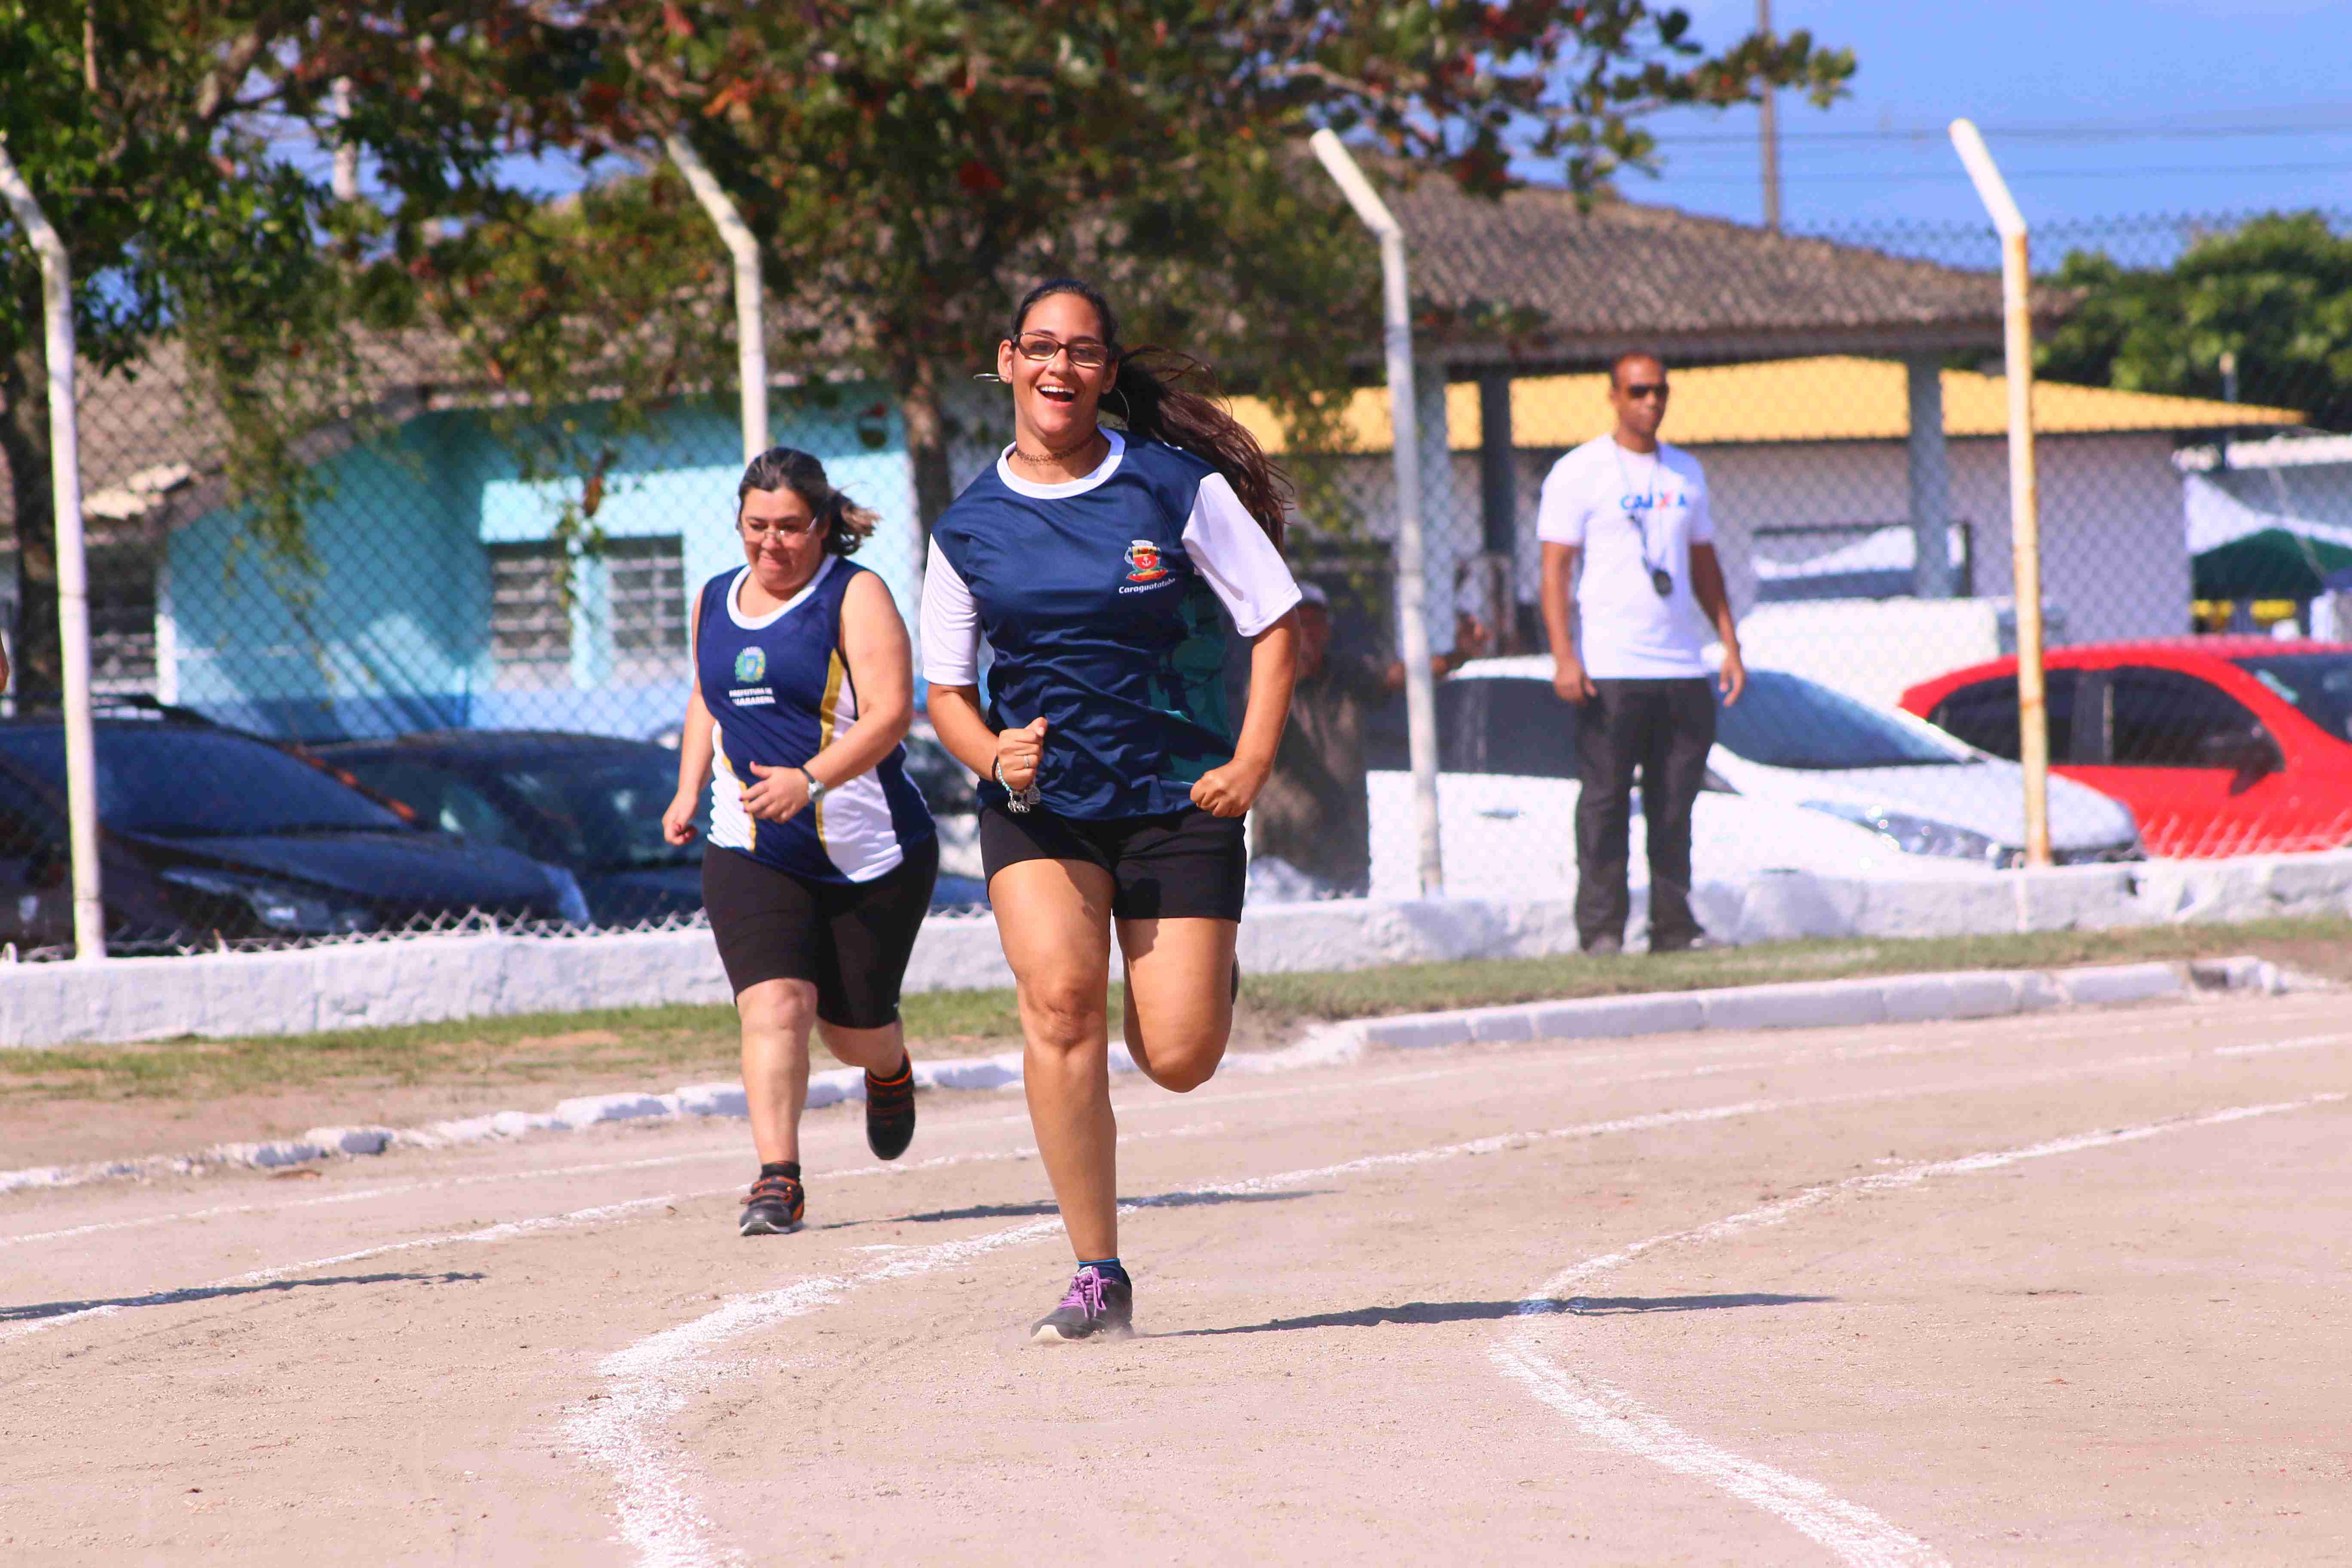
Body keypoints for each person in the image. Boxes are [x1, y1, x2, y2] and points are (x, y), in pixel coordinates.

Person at [921, 278, 1301, 1342]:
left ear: (1105, 369)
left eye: (1082, 352)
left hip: (1176, 796)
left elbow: (1274, 621)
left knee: (1177, 1056)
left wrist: (1252, 758)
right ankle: (1097, 1270)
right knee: (1059, 1002)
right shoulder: (967, 527)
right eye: (1039, 348)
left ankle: (1199, 969)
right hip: (1043, 806)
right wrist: (995, 754)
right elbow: (943, 694)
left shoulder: (1171, 488)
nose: (1059, 368)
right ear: (1005, 361)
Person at [662, 447, 938, 1237]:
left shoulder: (855, 595)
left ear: (821, 526)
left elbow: (888, 715)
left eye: (788, 527)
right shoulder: (715, 598)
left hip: (869, 850)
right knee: (776, 1005)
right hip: (750, 842)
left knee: (852, 1032)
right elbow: (704, 698)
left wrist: (809, 780)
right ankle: (777, 1179)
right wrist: (687, 790)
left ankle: (888, 1067)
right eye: (756, 527)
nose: (771, 544)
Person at [1537, 351, 1746, 956]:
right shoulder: (1579, 472)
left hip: (1681, 667)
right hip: (1610, 668)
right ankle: (1602, 932)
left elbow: (1705, 566)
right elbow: (1555, 570)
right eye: (1638, 391)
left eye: (1659, 391)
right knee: (1604, 805)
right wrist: (1564, 656)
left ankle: (1674, 928)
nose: (1651, 402)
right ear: (1614, 397)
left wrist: (1729, 642)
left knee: (1675, 804)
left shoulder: (1686, 474)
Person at [1252, 584, 1386, 897]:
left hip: (1345, 855)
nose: (1309, 633)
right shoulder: (1265, 681)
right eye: (1300, 624)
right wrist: (1292, 666)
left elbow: (1392, 679)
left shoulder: (1346, 677)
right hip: (1284, 858)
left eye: (1316, 623)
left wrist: (1457, 656)